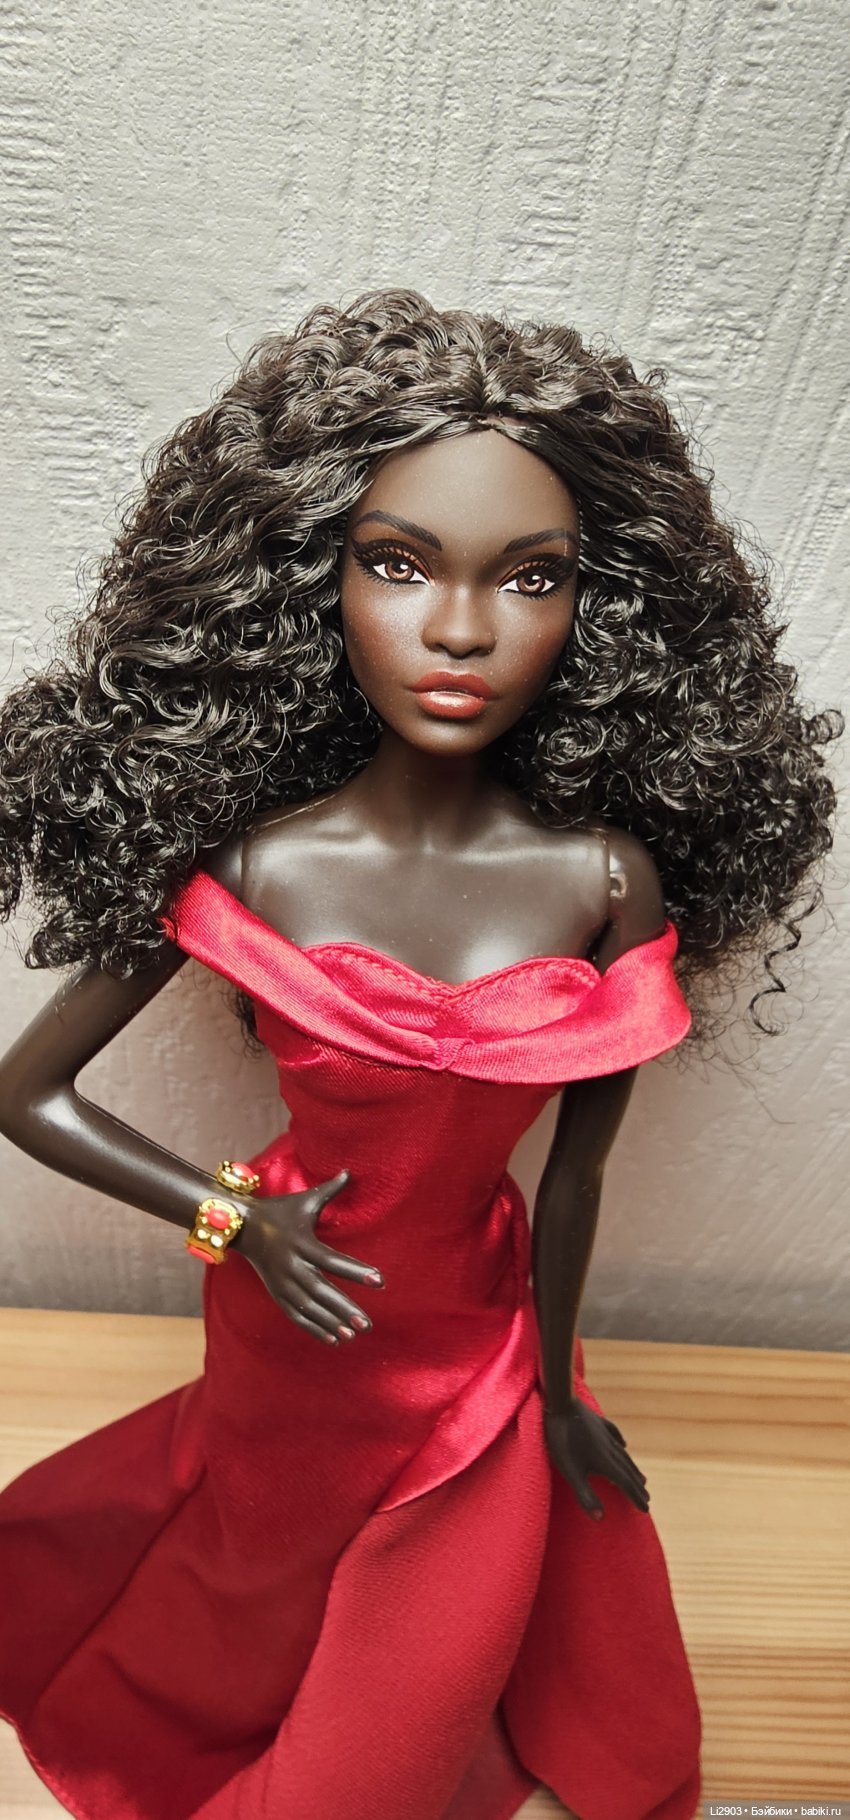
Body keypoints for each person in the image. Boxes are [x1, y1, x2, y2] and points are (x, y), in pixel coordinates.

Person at [0, 288, 839, 1820]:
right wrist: (231, 1217)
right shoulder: (257, 866)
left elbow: (575, 1172)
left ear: (606, 613)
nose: (460, 630)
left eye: (532, 577)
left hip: (477, 1325)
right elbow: (27, 1093)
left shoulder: (603, 882)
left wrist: (564, 1388)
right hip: (290, 1307)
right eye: (397, 563)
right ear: (301, 581)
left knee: (433, 1647)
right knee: (262, 1569)